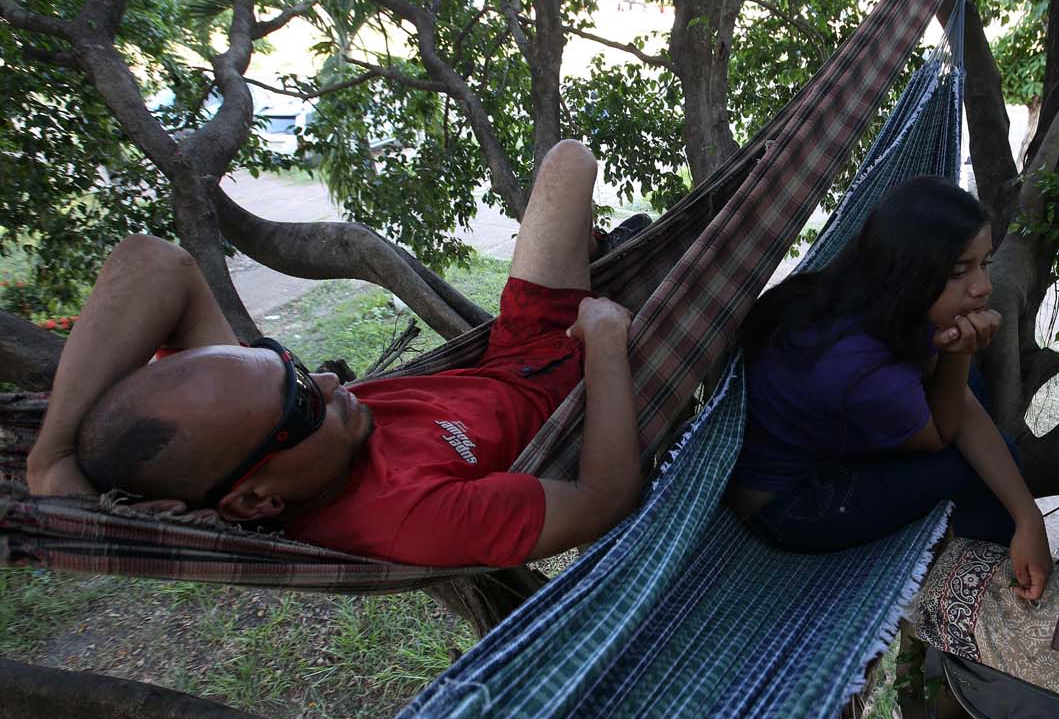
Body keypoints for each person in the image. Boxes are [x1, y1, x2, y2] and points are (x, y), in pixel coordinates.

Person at [25, 140, 644, 568]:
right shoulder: (407, 516)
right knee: (588, 184)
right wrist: (607, 342)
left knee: (569, 161)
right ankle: (605, 265)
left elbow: (152, 264)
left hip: (511, 347)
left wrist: (53, 457)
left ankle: (598, 252)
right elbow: (602, 500)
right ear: (254, 503)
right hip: (568, 385)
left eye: (288, 363)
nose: (326, 378)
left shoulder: (239, 431)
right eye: (301, 402)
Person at [728, 175, 1053, 599]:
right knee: (978, 461)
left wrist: (1030, 516)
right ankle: (984, 593)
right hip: (789, 506)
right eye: (960, 272)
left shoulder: (870, 295)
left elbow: (959, 400)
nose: (983, 288)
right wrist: (958, 354)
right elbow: (941, 437)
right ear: (909, 272)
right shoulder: (861, 368)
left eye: (984, 263)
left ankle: (999, 542)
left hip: (824, 443)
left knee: (967, 386)